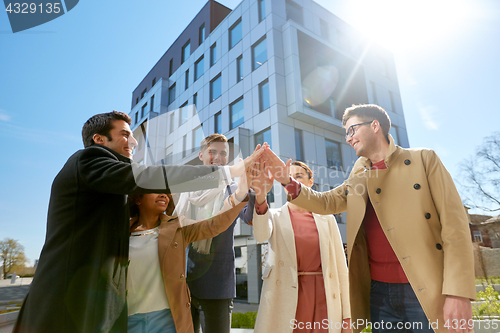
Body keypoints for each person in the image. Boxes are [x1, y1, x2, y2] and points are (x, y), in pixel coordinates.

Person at [14, 111, 263, 333]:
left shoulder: (122, 191)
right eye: (124, 135)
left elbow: (209, 225)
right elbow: (147, 177)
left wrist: (243, 189)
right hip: (66, 299)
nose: (133, 141)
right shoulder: (88, 159)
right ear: (99, 140)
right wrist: (231, 170)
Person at [263, 104, 475, 333]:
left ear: (375, 126)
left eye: (352, 130)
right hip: (379, 294)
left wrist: (458, 292)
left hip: (426, 287)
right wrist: (287, 181)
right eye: (346, 133)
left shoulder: (424, 160)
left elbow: (456, 228)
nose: (348, 138)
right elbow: (326, 202)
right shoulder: (359, 175)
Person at [127, 176, 250, 333]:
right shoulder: (122, 232)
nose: (164, 194)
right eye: (156, 189)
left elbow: (215, 224)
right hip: (130, 317)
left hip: (166, 318)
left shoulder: (179, 228)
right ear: (138, 198)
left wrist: (240, 193)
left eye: (166, 191)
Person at [250, 160, 351, 333]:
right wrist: (260, 195)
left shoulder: (327, 217)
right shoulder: (274, 216)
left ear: (310, 182)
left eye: (299, 176)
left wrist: (347, 317)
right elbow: (260, 235)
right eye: (288, 178)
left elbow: (342, 268)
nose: (293, 180)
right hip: (289, 296)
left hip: (325, 295)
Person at [174, 134, 255, 333]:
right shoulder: (184, 189)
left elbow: (250, 218)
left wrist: (256, 191)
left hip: (216, 286)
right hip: (181, 283)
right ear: (201, 155)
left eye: (223, 153)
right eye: (212, 152)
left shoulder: (236, 189)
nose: (218, 157)